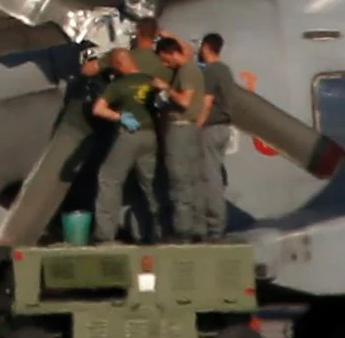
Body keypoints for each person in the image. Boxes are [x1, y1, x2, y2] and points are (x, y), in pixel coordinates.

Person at [87, 45, 164, 243]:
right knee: (150, 185)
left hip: (129, 136)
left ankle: (105, 235)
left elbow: (98, 109)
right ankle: (160, 231)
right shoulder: (149, 80)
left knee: (109, 179)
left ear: (119, 64)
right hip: (150, 137)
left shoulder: (119, 85)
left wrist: (119, 116)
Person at [155, 34, 222, 239]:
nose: (165, 64)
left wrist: (165, 89)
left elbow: (184, 101)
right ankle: (199, 228)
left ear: (171, 53)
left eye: (165, 59)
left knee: (180, 181)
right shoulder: (192, 68)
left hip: (180, 130)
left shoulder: (185, 71)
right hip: (192, 129)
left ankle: (183, 230)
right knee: (195, 181)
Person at [198, 33, 238, 233]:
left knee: (210, 176)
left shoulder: (211, 71)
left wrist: (198, 124)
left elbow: (207, 101)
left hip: (211, 128)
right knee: (216, 172)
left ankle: (214, 225)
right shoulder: (226, 70)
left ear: (206, 47)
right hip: (224, 128)